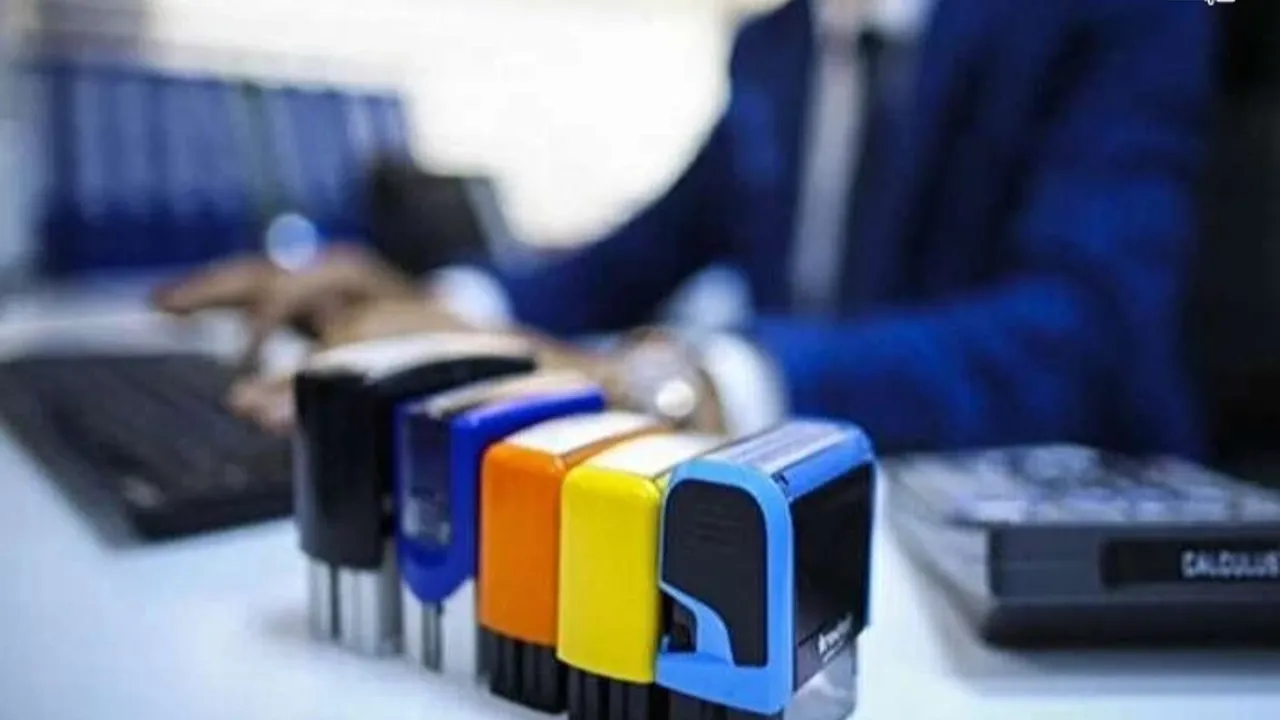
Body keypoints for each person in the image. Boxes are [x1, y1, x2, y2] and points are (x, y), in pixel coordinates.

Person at [155, 0, 1216, 456]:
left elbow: (1081, 332)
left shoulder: (1118, 16)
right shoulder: (779, 45)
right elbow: (630, 261)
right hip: (815, 505)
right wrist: (429, 304)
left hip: (1051, 568)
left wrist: (674, 381)